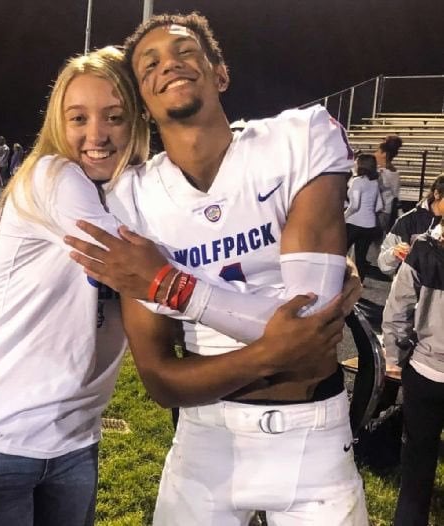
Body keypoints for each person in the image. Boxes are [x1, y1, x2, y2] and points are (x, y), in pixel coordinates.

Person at [0, 45, 351, 526]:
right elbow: (166, 274)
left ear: (137, 120)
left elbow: (197, 261)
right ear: (57, 124)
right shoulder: (56, 177)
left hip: (74, 437)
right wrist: (307, 317)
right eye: (78, 119)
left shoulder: (131, 195)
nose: (96, 134)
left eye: (113, 117)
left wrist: (327, 266)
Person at [65, 13, 367, 525]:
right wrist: (273, 349)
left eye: (185, 52)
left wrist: (171, 287)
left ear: (220, 73)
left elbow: (310, 329)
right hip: (206, 443)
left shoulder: (298, 136)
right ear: (142, 102)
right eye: (150, 65)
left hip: (313, 442)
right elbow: (162, 381)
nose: (169, 65)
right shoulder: (130, 197)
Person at [382, 217, 444, 526]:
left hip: (425, 370)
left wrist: (398, 357)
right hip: (424, 368)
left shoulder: (422, 251)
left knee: (418, 462)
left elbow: (397, 311)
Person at [378, 173, 444, 274]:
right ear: (437, 194)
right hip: (412, 282)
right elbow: (383, 264)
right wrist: (394, 254)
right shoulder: (408, 221)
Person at [345, 153, 384, 282]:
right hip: (369, 225)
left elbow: (354, 205)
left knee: (340, 254)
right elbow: (379, 206)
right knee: (360, 258)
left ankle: (338, 282)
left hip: (354, 223)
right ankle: (358, 285)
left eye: (356, 162)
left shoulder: (358, 182)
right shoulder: (374, 183)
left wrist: (343, 217)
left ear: (361, 165)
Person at [375, 135, 403, 233]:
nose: (375, 154)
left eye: (378, 151)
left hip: (381, 211)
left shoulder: (384, 172)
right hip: (387, 210)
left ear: (384, 154)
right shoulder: (394, 172)